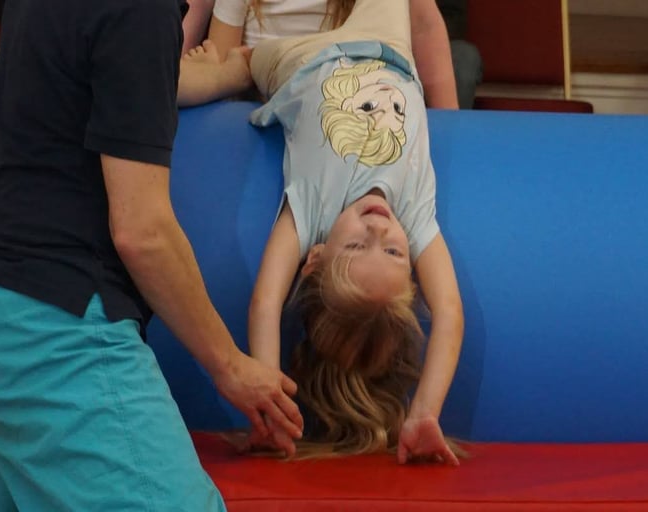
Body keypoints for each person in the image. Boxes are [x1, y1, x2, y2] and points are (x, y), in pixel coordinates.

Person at [0, 0, 301, 510]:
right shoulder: (139, 11)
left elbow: (118, 81)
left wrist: (228, 73)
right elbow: (143, 232)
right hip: (54, 332)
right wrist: (231, 367)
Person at [243, 0, 465, 464]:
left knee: (224, 69)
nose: (379, 226)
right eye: (394, 253)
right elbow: (448, 311)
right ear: (411, 277)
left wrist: (266, 399)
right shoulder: (415, 217)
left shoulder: (310, 213)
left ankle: (217, 66)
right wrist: (425, 411)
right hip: (387, 49)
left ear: (317, 258)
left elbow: (266, 301)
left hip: (297, 60)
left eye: (360, 244)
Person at [179, 0, 459, 109]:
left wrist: (451, 126)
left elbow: (424, 27)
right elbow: (224, 62)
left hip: (352, 92)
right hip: (265, 97)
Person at [435, 0, 483, 109]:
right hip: (390, 46)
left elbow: (453, 15)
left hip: (440, 41)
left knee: (466, 58)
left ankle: (453, 123)